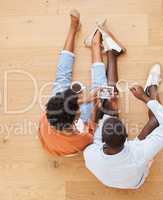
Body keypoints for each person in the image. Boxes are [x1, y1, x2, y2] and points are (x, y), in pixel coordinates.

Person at [38, 9, 125, 156]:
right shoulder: (81, 137)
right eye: (78, 109)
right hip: (68, 146)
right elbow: (91, 129)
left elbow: (68, 107)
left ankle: (75, 29)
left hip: (53, 136)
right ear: (75, 119)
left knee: (63, 78)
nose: (80, 105)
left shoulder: (48, 117)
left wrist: (87, 98)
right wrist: (94, 111)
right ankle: (95, 44)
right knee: (100, 91)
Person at [83, 63, 163, 189]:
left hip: (112, 180)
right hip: (136, 180)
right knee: (156, 120)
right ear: (127, 137)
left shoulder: (90, 154)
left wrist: (111, 112)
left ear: (102, 139)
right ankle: (151, 88)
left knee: (108, 109)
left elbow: (98, 138)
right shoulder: (140, 152)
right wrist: (144, 98)